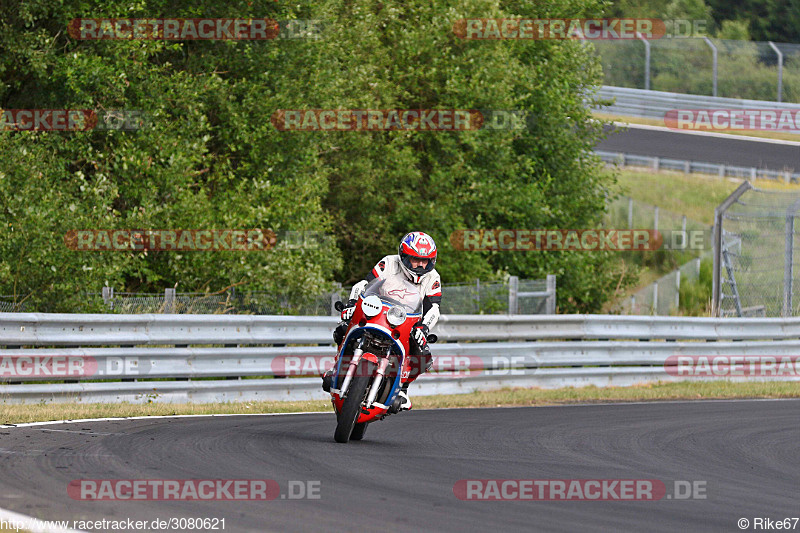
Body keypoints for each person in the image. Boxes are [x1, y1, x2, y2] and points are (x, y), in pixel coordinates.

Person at [322, 231, 442, 411]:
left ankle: (403, 389)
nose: (420, 264)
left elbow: (433, 307)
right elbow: (364, 284)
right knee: (344, 328)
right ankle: (338, 366)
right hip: (377, 312)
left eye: (426, 260)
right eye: (415, 259)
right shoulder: (389, 262)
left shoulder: (433, 277)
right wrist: (351, 305)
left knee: (423, 356)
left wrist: (424, 328)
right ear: (403, 256)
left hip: (407, 321)